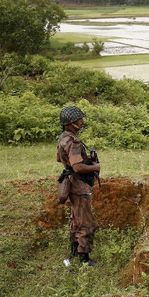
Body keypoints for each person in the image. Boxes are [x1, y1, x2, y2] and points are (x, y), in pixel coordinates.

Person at [56, 106, 101, 266]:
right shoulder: (73, 141)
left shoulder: (63, 138)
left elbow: (62, 159)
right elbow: (78, 167)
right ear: (72, 123)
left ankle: (74, 252)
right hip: (79, 184)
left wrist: (87, 159)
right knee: (86, 222)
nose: (82, 122)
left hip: (71, 181)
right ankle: (84, 259)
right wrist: (95, 167)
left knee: (76, 219)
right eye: (79, 119)